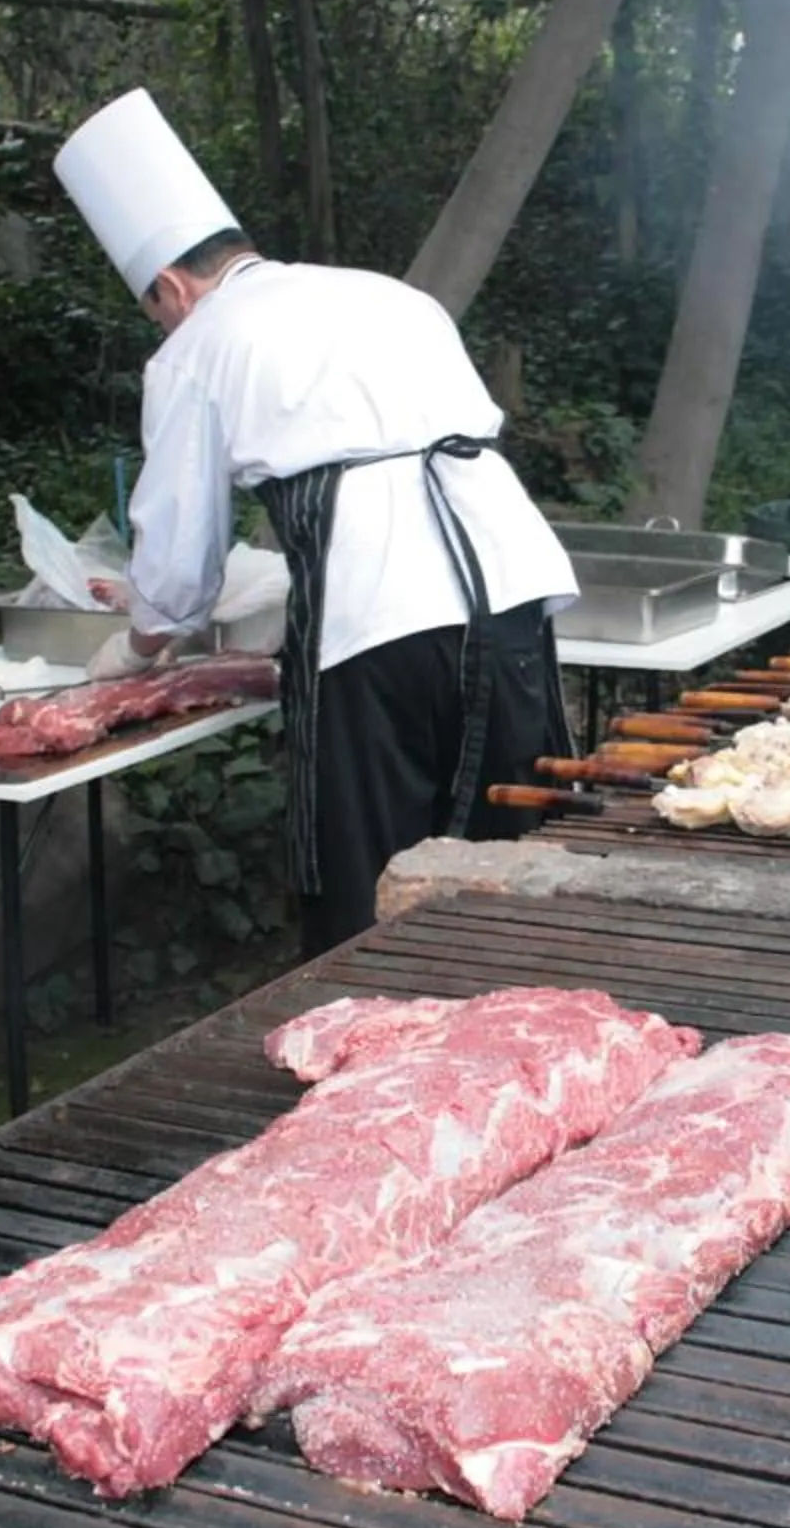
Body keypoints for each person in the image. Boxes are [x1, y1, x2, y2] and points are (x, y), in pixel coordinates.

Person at [54, 88, 579, 952]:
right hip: (511, 592)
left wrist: (139, 647)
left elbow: (181, 561)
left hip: (377, 626)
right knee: (510, 856)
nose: (160, 324)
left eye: (152, 308)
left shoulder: (199, 345)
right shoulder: (385, 295)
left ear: (170, 286)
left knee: (369, 876)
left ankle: (375, 1056)